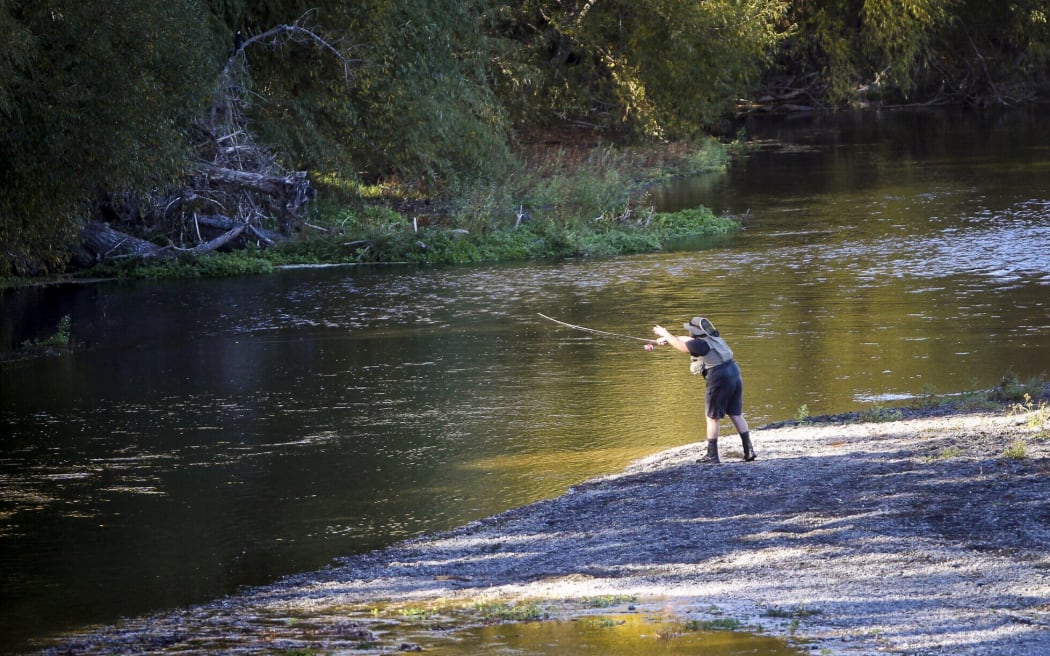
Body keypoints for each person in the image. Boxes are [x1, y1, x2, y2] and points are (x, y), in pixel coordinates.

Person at [652, 317, 755, 463]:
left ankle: (712, 456)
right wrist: (668, 339)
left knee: (712, 418)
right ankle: (749, 451)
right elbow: (687, 340)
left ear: (695, 331)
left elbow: (682, 347)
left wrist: (666, 334)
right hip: (734, 373)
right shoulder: (714, 337)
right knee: (736, 414)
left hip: (719, 378)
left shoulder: (700, 345)